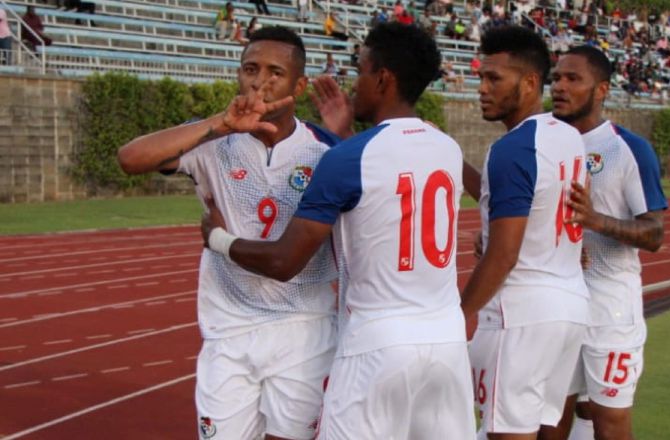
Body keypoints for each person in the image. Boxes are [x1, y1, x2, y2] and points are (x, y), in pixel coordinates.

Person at [201, 22, 475, 439]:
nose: (353, 83)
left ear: (383, 78)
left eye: (361, 71)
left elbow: (283, 260)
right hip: (447, 341)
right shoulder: (447, 148)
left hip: (376, 342)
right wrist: (345, 133)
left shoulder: (347, 159)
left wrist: (217, 239)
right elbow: (386, 178)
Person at [117, 27, 341, 440]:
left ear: (300, 84)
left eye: (276, 72)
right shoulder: (212, 139)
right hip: (228, 328)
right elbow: (130, 159)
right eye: (250, 69)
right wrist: (219, 124)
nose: (260, 81)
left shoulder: (324, 150)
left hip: (305, 327)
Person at [459, 25, 590, 440]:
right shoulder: (568, 136)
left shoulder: (512, 149)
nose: (482, 88)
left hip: (522, 312)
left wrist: (456, 316)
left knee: (507, 432)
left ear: (531, 82)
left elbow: (503, 256)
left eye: (494, 78)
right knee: (546, 429)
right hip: (569, 304)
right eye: (481, 76)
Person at [541, 45, 668, 440]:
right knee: (550, 418)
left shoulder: (626, 148)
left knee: (607, 419)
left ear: (601, 89)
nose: (559, 86)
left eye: (572, 78)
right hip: (558, 299)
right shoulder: (544, 139)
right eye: (556, 77)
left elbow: (654, 233)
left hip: (609, 305)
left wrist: (596, 220)